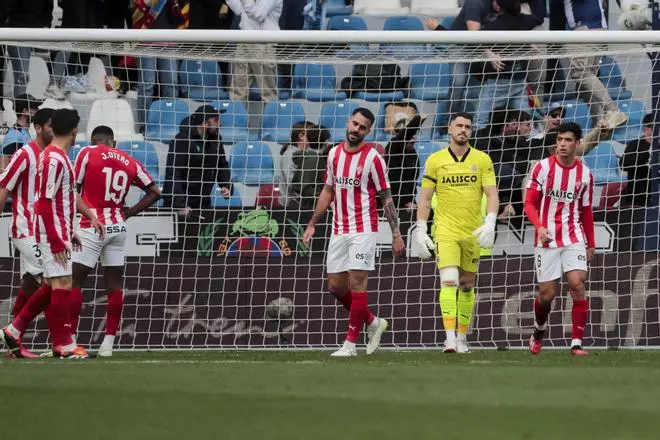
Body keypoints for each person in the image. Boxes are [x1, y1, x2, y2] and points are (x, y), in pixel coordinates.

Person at [0, 109, 103, 359]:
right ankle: (64, 345)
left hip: (55, 230)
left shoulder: (58, 157)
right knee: (60, 284)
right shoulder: (52, 159)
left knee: (49, 283)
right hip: (41, 232)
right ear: (74, 131)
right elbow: (44, 202)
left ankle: (14, 330)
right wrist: (57, 238)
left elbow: (63, 197)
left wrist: (72, 229)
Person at [303, 108, 405, 357]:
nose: (355, 129)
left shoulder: (373, 159)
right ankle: (373, 322)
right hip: (339, 228)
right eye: (354, 123)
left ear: (368, 131)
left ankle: (350, 345)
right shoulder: (334, 154)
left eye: (362, 127)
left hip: (364, 229)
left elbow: (386, 198)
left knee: (357, 283)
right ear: (348, 122)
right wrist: (313, 222)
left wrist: (396, 233)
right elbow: (328, 190)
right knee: (336, 287)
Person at [72, 126, 161, 357]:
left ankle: (70, 342)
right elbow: (155, 192)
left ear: (94, 140)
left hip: (91, 225)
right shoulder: (128, 159)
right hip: (118, 226)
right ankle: (108, 346)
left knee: (73, 282)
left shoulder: (87, 153)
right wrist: (128, 212)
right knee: (114, 286)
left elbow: (74, 189)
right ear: (113, 142)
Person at [414, 112, 499, 353]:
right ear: (450, 129)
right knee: (448, 281)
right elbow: (425, 198)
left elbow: (492, 194)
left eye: (468, 127)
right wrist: (421, 229)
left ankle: (462, 337)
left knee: (467, 286)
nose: (463, 130)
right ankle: (449, 338)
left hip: (473, 232)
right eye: (459, 126)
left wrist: (491, 221)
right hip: (446, 231)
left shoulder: (482, 159)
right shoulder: (435, 160)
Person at [524, 122, 595, 356]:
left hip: (573, 236)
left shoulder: (585, 174)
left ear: (577, 143)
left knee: (577, 283)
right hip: (546, 240)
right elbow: (529, 203)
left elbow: (586, 211)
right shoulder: (542, 168)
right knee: (547, 295)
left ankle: (576, 343)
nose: (562, 144)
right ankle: (538, 331)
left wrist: (591, 243)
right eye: (560, 139)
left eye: (567, 140)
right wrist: (539, 226)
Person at [0, 108, 53, 358]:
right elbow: (4, 185)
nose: (56, 131)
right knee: (52, 278)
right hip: (25, 229)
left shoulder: (53, 156)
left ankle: (13, 344)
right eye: (51, 126)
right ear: (39, 127)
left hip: (44, 230)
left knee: (31, 283)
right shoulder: (25, 154)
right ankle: (14, 332)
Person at [162, 105, 231, 212]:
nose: (220, 124)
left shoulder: (216, 140)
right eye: (216, 120)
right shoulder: (182, 139)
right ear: (204, 123)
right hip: (179, 204)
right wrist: (180, 205)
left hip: (203, 202)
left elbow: (221, 165)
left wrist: (226, 185)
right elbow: (174, 174)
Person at [1, 94, 43, 171]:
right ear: (25, 111)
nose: (38, 110)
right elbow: (3, 168)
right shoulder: (14, 135)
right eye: (34, 108)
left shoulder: (23, 132)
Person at [620, 113, 653, 207]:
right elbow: (623, 164)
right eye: (647, 129)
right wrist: (647, 153)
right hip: (638, 197)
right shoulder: (636, 144)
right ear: (644, 129)